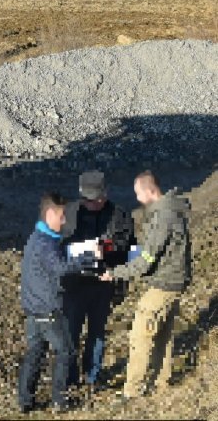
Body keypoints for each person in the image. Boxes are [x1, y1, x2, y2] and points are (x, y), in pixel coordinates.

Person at [100, 170, 191, 399]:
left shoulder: (163, 218)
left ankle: (132, 390)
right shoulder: (171, 210)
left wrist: (115, 273)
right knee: (163, 333)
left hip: (164, 284)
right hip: (174, 280)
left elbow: (146, 262)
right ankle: (162, 382)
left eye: (139, 193)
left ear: (150, 191)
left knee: (140, 334)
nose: (138, 199)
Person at [19, 193, 98, 412]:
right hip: (48, 310)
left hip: (33, 309)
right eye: (62, 216)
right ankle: (59, 401)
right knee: (66, 352)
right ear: (50, 213)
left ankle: (25, 401)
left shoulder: (36, 238)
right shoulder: (46, 243)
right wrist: (85, 259)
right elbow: (60, 267)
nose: (64, 221)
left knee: (35, 354)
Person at [61, 171, 135, 387]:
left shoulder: (119, 214)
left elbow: (128, 244)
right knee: (71, 334)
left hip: (103, 284)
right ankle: (70, 379)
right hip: (74, 284)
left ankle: (92, 377)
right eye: (88, 200)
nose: (94, 204)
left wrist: (106, 248)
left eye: (98, 199)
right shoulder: (69, 213)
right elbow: (57, 244)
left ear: (106, 193)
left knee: (97, 334)